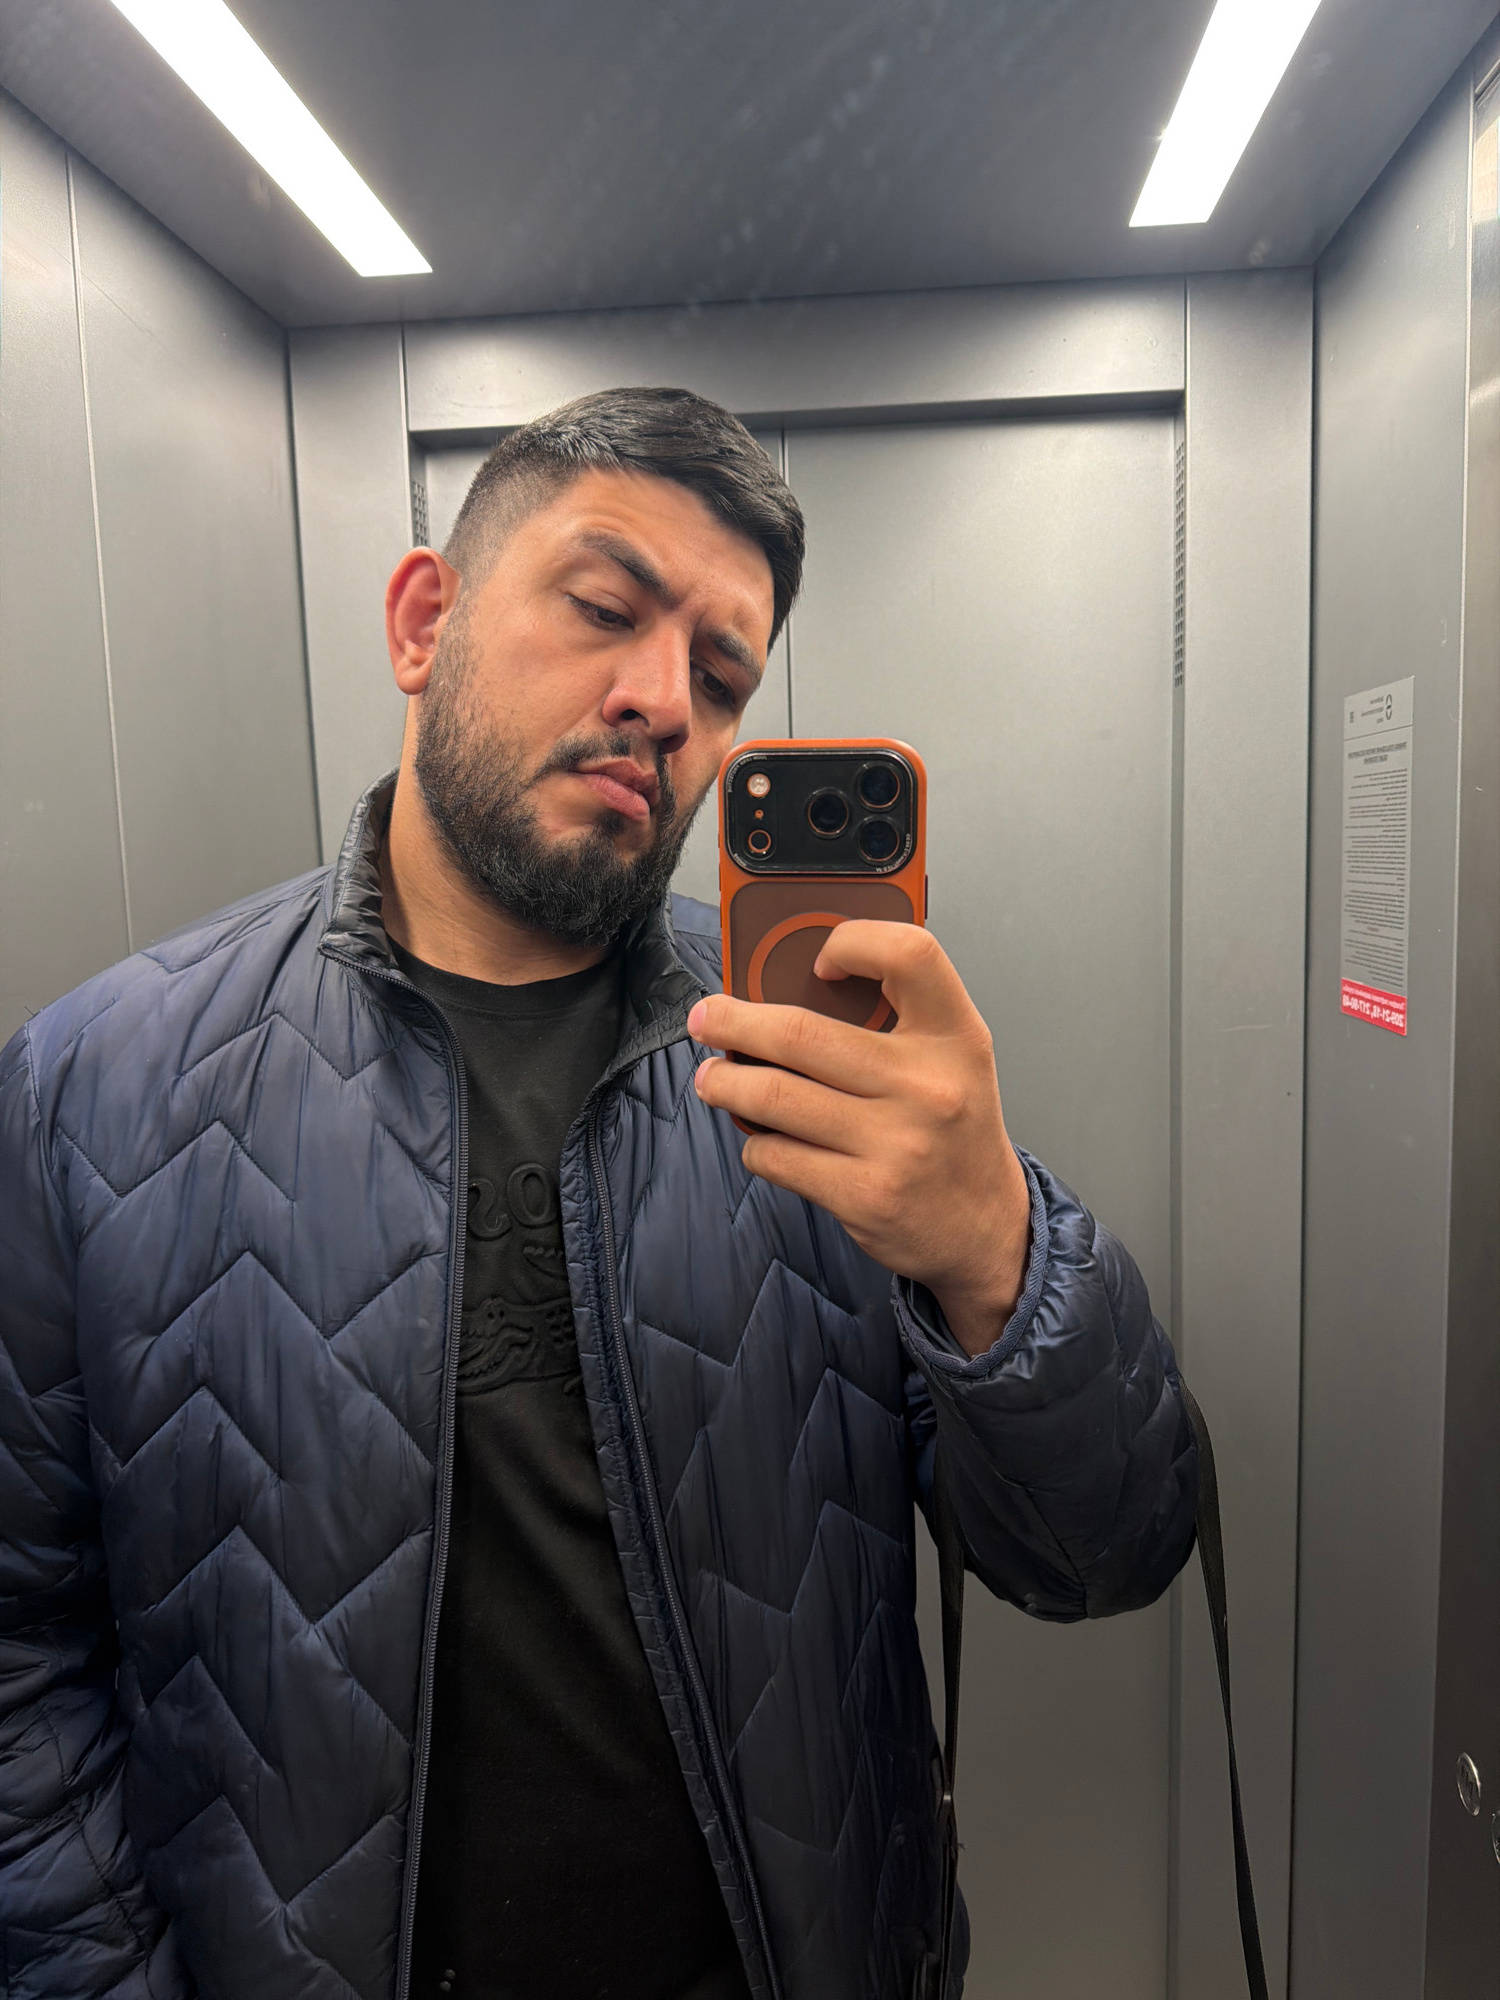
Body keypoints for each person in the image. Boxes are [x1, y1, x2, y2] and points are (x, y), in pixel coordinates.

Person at [0, 387, 1198, 2000]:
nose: (662, 700)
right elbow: (19, 1650)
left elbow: (1104, 1553)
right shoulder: (97, 1087)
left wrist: (998, 1252)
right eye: (604, 607)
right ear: (423, 623)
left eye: (723, 674)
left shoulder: (821, 1068)